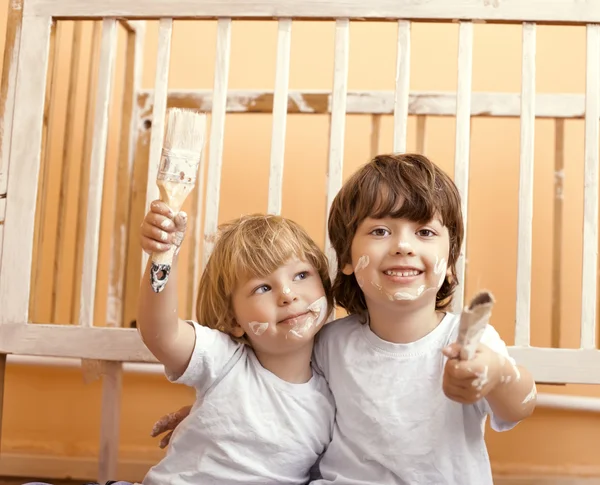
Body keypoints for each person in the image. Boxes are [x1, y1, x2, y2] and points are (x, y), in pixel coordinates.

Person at [153, 153, 537, 485]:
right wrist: (213, 418)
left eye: (424, 231)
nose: (403, 245)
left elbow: (519, 405)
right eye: (381, 230)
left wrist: (494, 374)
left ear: (450, 263)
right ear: (347, 260)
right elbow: (273, 389)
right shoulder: (329, 342)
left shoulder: (468, 342)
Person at [137, 206, 336, 484]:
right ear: (233, 320)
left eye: (301, 275)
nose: (288, 295)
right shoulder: (225, 359)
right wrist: (164, 255)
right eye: (263, 288)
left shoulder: (333, 399)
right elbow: (161, 333)